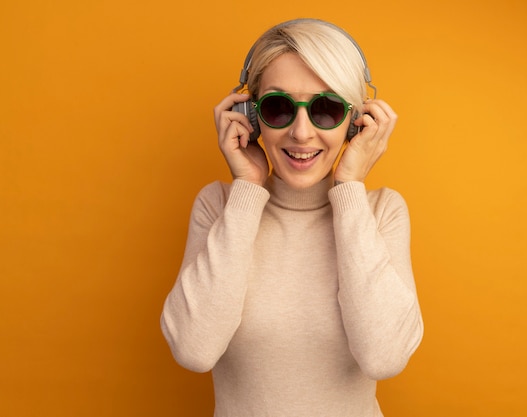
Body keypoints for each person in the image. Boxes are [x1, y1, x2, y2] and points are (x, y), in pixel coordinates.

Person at [161, 18, 424, 416]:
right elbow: (193, 349)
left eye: (327, 108)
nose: (301, 133)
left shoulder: (382, 212)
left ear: (356, 121)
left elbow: (384, 357)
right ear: (250, 116)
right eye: (279, 107)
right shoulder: (219, 207)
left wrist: (350, 185)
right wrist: (247, 187)